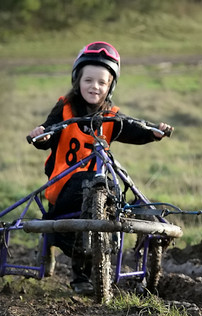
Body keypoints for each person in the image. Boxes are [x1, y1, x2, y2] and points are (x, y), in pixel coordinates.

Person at [28, 41, 173, 295]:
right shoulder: (64, 109)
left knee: (116, 199)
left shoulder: (111, 115)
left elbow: (132, 130)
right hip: (63, 186)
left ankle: (112, 264)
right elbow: (47, 135)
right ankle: (78, 273)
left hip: (99, 188)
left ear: (110, 86)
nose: (94, 87)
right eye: (88, 80)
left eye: (102, 83)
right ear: (77, 81)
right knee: (82, 207)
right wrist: (42, 135)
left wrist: (154, 133)